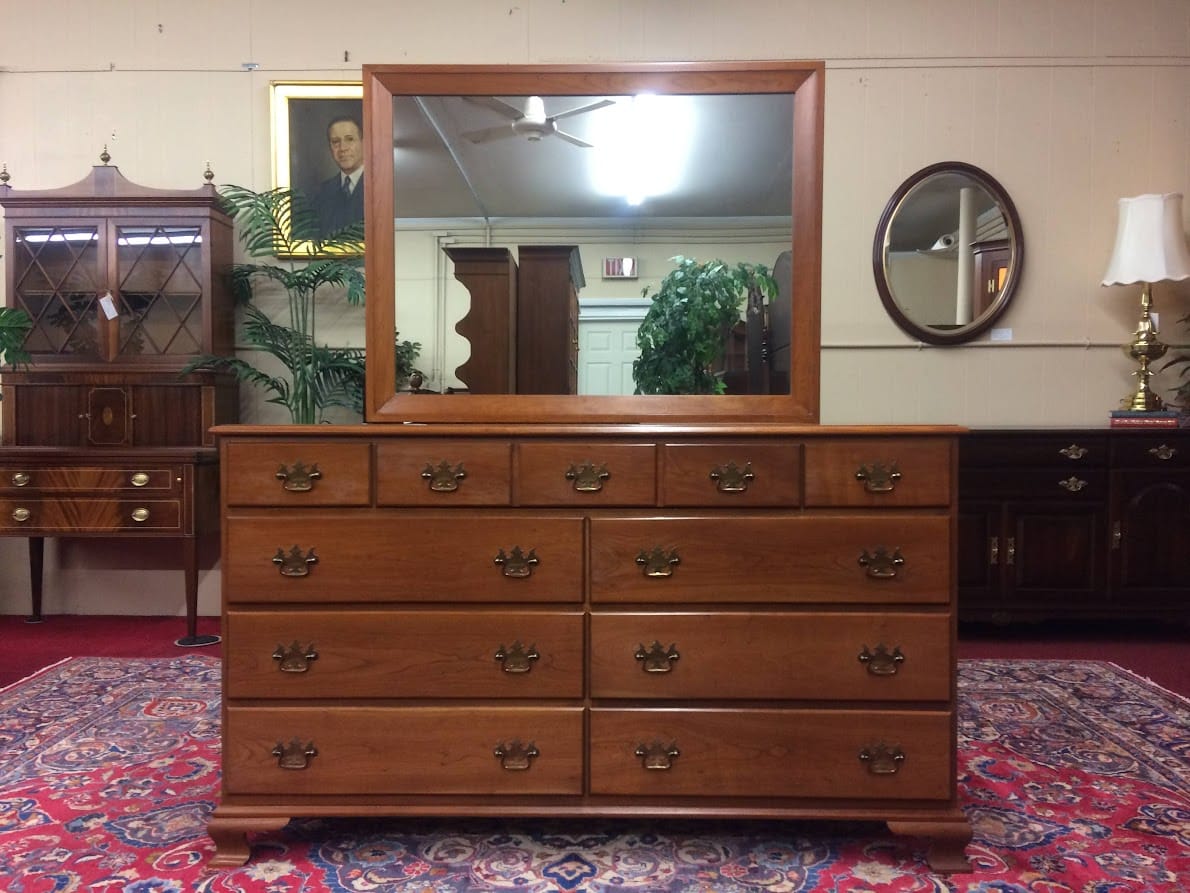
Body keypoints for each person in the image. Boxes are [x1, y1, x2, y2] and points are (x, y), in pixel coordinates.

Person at [308, 114, 365, 238]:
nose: (342, 148)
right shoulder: (320, 193)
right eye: (335, 142)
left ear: (363, 142)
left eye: (349, 139)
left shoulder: (381, 189)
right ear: (330, 148)